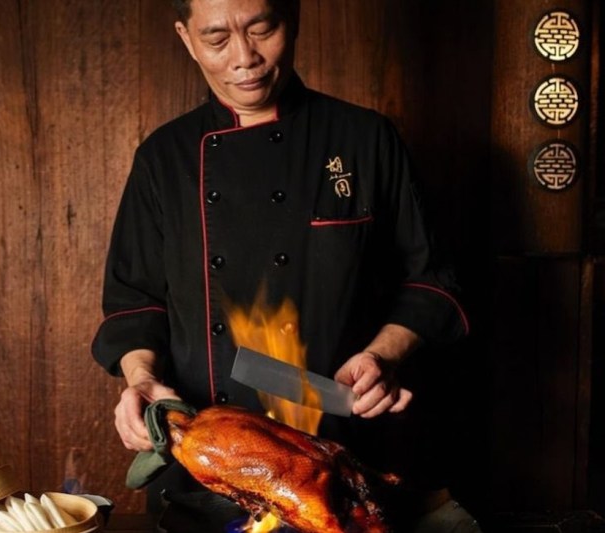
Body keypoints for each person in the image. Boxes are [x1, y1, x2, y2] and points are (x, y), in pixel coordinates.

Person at [92, 0, 481, 531]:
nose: (244, 57)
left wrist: (382, 355)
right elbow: (133, 302)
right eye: (217, 38)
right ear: (186, 38)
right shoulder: (164, 158)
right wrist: (141, 380)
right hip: (208, 466)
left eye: (261, 29)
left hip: (343, 461)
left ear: (292, 19)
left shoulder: (365, 140)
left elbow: (432, 281)